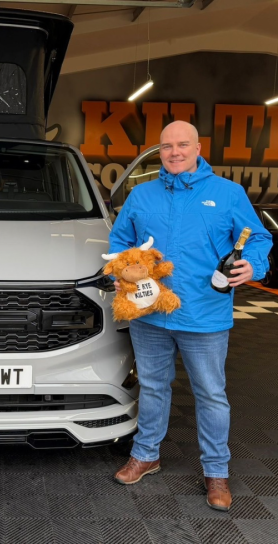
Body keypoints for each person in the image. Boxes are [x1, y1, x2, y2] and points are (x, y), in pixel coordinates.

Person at [108, 120, 272, 511]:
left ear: (198, 149)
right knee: (153, 386)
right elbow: (120, 241)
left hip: (205, 314)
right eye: (167, 146)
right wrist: (120, 270)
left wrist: (254, 265)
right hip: (149, 313)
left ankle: (216, 472)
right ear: (159, 151)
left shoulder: (227, 193)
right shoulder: (141, 194)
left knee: (211, 394)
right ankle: (146, 455)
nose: (174, 152)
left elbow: (259, 237)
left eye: (183, 145)